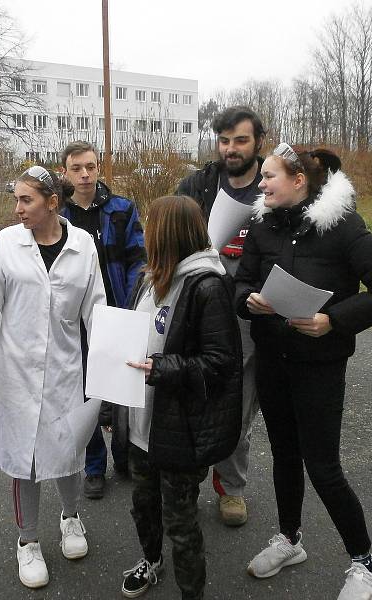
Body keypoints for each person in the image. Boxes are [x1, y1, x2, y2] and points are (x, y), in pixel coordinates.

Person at [235, 144, 372, 600]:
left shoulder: (342, 227)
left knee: (323, 466)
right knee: (285, 458)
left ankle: (364, 562)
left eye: (270, 176)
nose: (262, 184)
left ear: (299, 181)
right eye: (262, 177)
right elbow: (242, 282)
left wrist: (333, 320)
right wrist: (248, 301)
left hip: (320, 365)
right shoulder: (262, 224)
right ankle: (290, 539)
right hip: (274, 359)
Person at [0, 165, 106, 589]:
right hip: (17, 370)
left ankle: (71, 517)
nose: (17, 208)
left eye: (27, 200)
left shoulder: (82, 246)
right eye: (17, 199)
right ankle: (27, 541)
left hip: (64, 369)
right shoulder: (6, 244)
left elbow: (95, 309)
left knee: (68, 447)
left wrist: (110, 367)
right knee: (24, 458)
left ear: (52, 203)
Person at [121, 195, 242, 600]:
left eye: (148, 227)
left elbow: (221, 362)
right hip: (140, 424)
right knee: (143, 505)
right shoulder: (148, 277)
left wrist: (163, 368)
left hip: (180, 429)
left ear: (166, 233)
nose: (143, 234)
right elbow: (127, 340)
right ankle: (151, 560)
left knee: (181, 521)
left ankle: (192, 592)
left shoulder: (208, 286)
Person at [176, 105, 265, 526]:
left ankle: (232, 487)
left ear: (257, 143)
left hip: (253, 310)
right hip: (204, 302)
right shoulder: (198, 184)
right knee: (197, 393)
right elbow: (172, 232)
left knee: (240, 403)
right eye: (224, 140)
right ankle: (188, 476)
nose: (231, 149)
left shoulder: (274, 185)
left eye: (240, 140)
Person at [60, 140, 146, 499]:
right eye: (77, 168)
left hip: (115, 313)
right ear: (64, 172)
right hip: (74, 319)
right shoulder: (59, 214)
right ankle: (94, 466)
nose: (84, 174)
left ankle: (125, 456)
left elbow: (137, 261)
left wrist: (126, 308)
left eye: (91, 166)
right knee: (86, 393)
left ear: (99, 168)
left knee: (124, 390)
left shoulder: (121, 209)